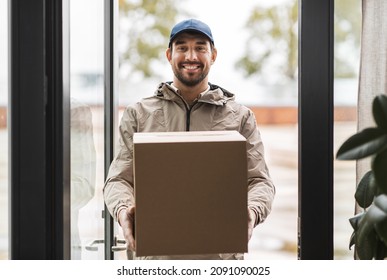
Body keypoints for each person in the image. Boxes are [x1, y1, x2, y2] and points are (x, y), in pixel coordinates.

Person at [103, 18, 275, 260]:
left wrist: (252, 211)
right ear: (169, 55)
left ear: (213, 55)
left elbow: (259, 181)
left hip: (221, 260)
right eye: (182, 47)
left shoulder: (241, 117)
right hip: (157, 261)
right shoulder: (138, 114)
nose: (191, 56)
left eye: (200, 48)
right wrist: (122, 211)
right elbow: (118, 180)